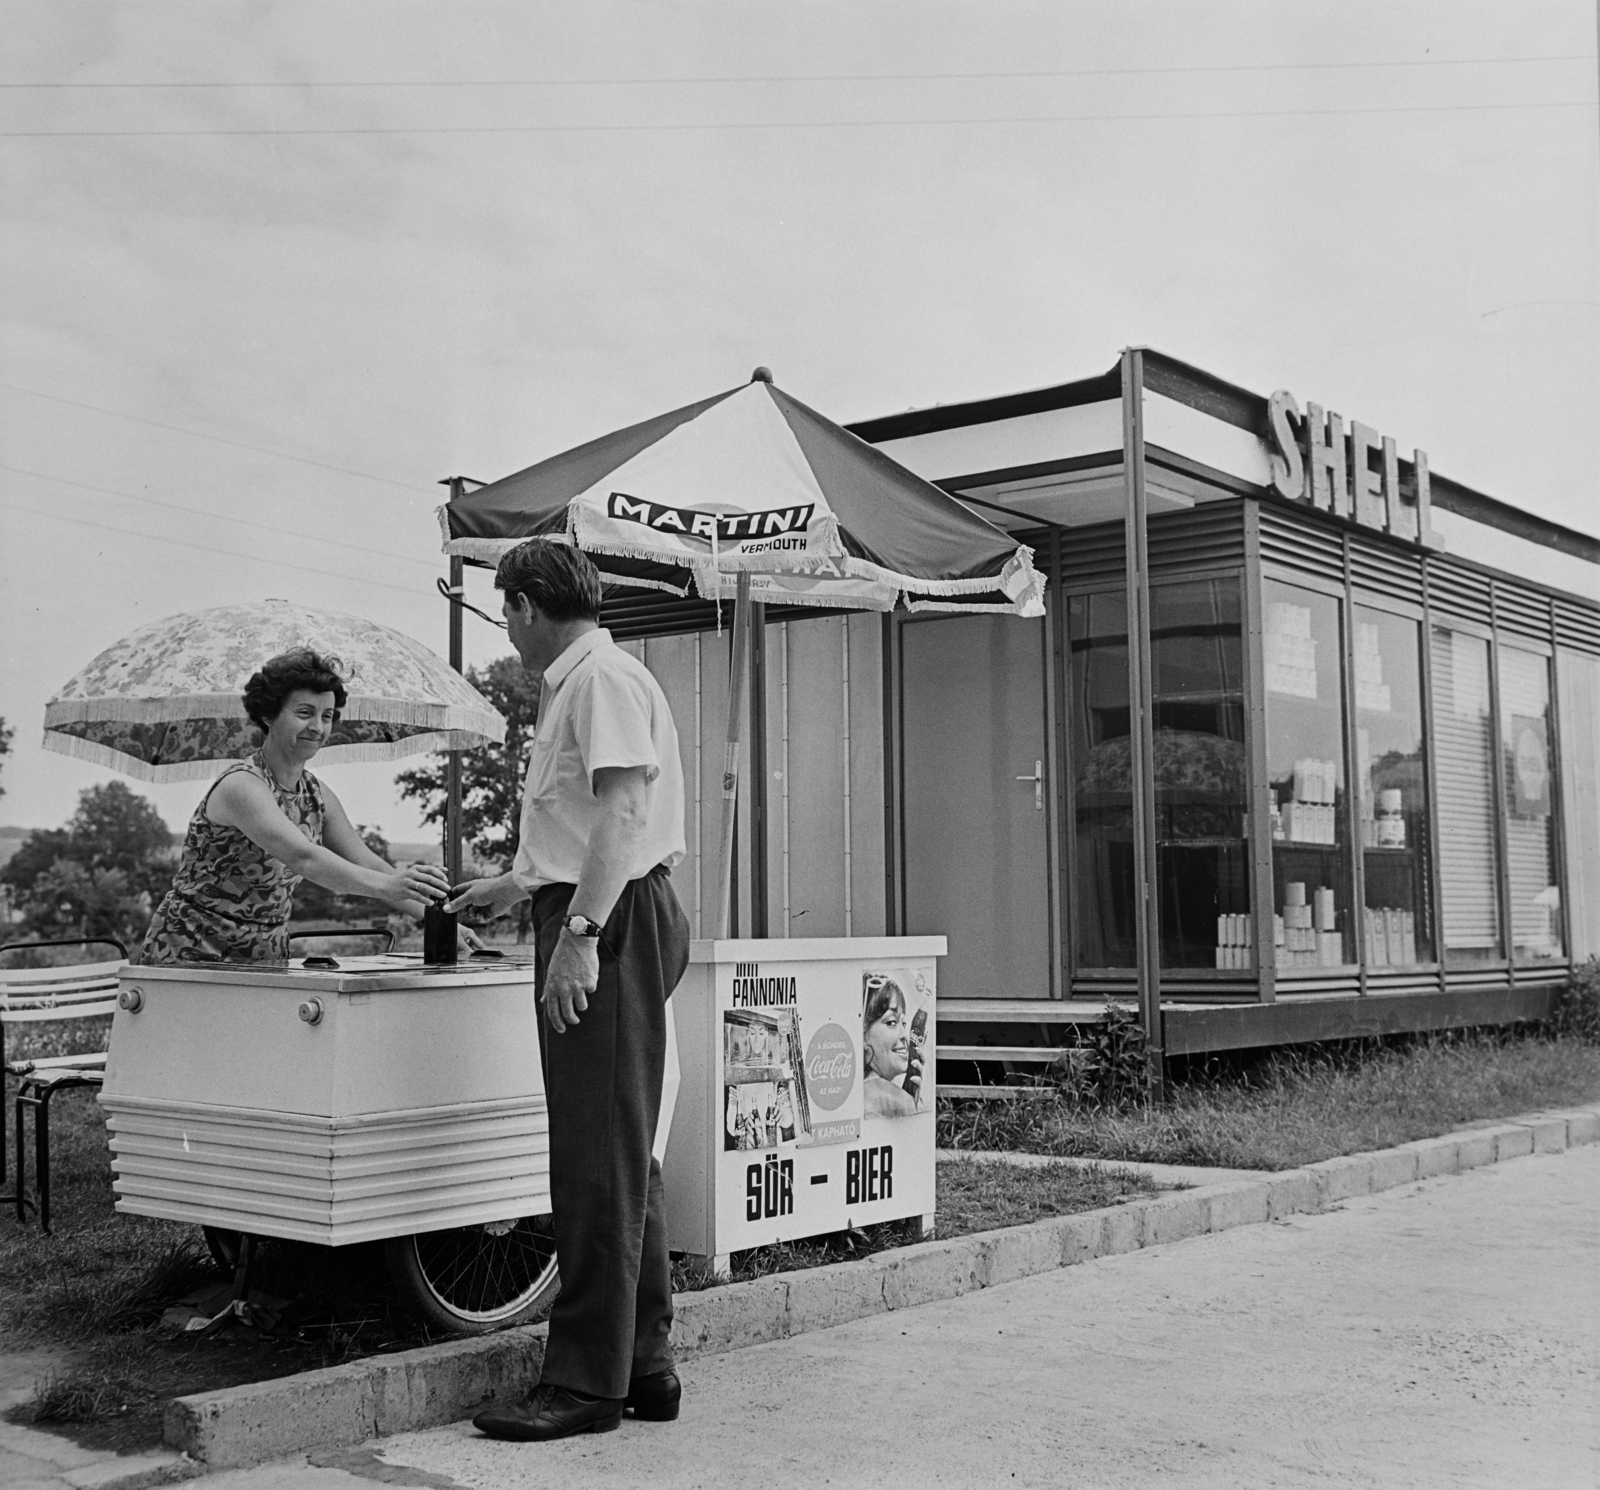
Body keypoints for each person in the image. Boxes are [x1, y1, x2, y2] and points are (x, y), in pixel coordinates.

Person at [448, 538, 690, 1443]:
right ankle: (642, 1365)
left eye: (505, 613)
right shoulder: (588, 681)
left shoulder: (598, 680)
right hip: (603, 907)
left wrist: (579, 937)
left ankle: (585, 1385)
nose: (507, 632)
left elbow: (626, 812)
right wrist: (517, 885)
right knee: (621, 1147)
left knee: (593, 1154)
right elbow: (588, 823)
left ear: (522, 605)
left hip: (609, 919)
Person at [139, 648, 449, 965]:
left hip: (265, 956)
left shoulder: (316, 793)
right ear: (268, 715)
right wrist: (390, 885)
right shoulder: (242, 787)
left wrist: (442, 919)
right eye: (304, 713)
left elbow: (368, 863)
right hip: (191, 953)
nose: (317, 726)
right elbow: (306, 858)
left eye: (327, 716)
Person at [862, 975, 921, 1118]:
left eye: (904, 1023)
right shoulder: (900, 1101)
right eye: (891, 1022)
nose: (904, 1035)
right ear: (862, 1034)